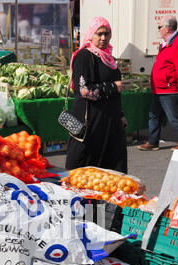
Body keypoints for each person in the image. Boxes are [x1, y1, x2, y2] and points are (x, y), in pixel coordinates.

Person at [65, 17, 128, 173]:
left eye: (106, 34)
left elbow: (116, 90)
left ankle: (111, 197)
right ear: (91, 34)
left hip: (110, 120)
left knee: (113, 164)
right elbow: (84, 90)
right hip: (90, 120)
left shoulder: (109, 58)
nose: (103, 38)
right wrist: (113, 87)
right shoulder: (83, 56)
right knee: (84, 164)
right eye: (99, 34)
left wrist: (120, 114)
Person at [137, 15, 178, 151]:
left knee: (175, 117)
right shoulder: (166, 42)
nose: (158, 30)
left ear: (167, 28)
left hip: (169, 88)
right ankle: (153, 141)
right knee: (154, 115)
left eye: (160, 27)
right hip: (160, 88)